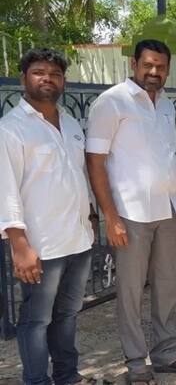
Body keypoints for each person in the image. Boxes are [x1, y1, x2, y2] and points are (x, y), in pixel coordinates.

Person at [86, 39, 176, 384]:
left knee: (168, 285)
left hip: (167, 210)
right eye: (148, 65)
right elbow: (95, 161)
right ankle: (137, 363)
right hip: (129, 213)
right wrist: (109, 216)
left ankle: (166, 352)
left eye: (161, 67)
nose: (154, 72)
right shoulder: (111, 102)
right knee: (130, 290)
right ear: (134, 64)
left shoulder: (167, 105)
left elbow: (170, 161)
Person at [0, 49, 95, 385]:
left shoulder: (70, 123)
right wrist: (19, 245)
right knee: (36, 320)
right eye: (39, 72)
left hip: (78, 239)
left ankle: (68, 377)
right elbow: (6, 189)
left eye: (55, 74)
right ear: (24, 78)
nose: (47, 79)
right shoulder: (11, 129)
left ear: (63, 81)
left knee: (67, 315)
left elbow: (78, 177)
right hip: (41, 244)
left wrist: (92, 218)